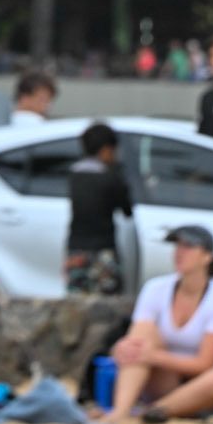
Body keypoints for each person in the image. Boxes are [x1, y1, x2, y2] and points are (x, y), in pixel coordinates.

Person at [107, 224, 213, 424]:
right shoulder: (155, 288)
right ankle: (120, 412)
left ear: (207, 256)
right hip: (168, 384)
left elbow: (205, 364)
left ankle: (154, 411)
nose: (180, 252)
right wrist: (121, 349)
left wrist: (153, 356)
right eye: (178, 246)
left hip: (208, 389)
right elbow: (135, 344)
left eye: (188, 247)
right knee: (142, 334)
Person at [65, 122, 134, 296]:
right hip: (103, 249)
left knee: (77, 301)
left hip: (76, 248)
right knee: (107, 306)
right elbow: (127, 209)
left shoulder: (74, 175)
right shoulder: (111, 177)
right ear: (105, 150)